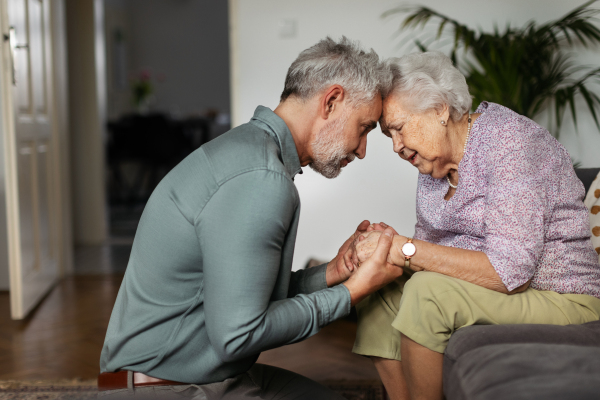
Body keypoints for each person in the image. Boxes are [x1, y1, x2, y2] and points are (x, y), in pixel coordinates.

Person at [98, 37, 404, 399]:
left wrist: (334, 273)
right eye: (365, 127)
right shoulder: (260, 179)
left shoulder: (249, 153)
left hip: (189, 375)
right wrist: (352, 293)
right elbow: (238, 335)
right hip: (170, 389)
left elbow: (242, 295)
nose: (362, 149)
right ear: (331, 101)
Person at [348, 52, 600, 400]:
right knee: (380, 286)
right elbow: (426, 254)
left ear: (439, 109)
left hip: (563, 297)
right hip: (507, 291)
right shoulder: (434, 166)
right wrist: (386, 246)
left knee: (426, 293)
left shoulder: (509, 144)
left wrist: (404, 247)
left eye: (399, 128)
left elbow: (509, 272)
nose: (396, 146)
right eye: (388, 135)